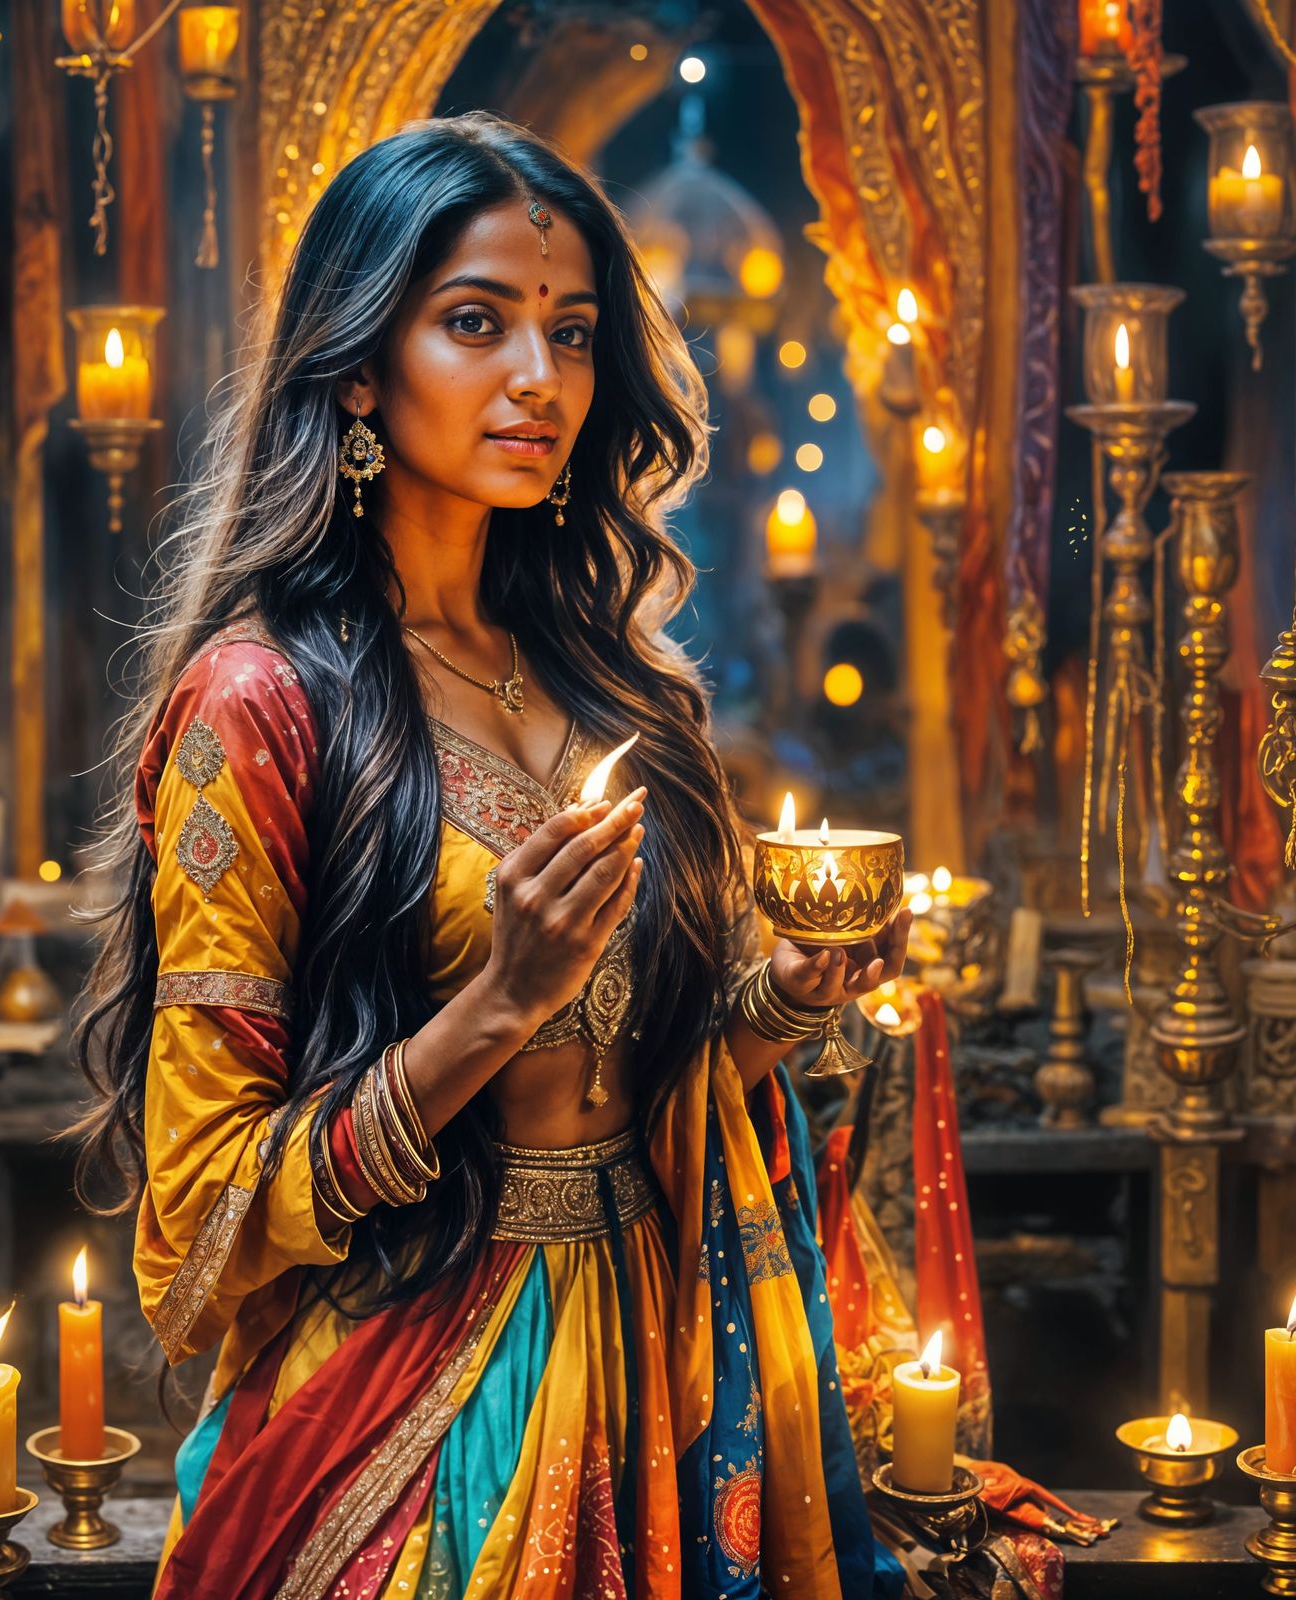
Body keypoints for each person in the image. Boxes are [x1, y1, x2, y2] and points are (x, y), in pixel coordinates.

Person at [74, 111, 912, 1600]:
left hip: (654, 1366)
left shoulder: (607, 679)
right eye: (477, 323)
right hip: (412, 1412)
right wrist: (489, 1010)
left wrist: (786, 993)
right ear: (354, 365)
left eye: (574, 332)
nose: (543, 381)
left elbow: (652, 1074)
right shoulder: (260, 705)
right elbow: (199, 1231)